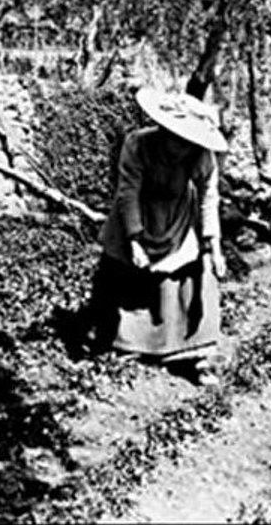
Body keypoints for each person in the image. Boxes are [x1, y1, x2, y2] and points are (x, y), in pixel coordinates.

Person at [84, 87, 228, 386]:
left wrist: (214, 247)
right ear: (164, 129)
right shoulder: (138, 144)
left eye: (187, 143)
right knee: (124, 275)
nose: (180, 148)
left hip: (178, 215)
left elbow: (208, 198)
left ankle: (196, 353)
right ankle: (127, 345)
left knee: (195, 277)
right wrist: (134, 239)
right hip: (139, 210)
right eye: (176, 139)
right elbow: (128, 191)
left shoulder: (202, 155)